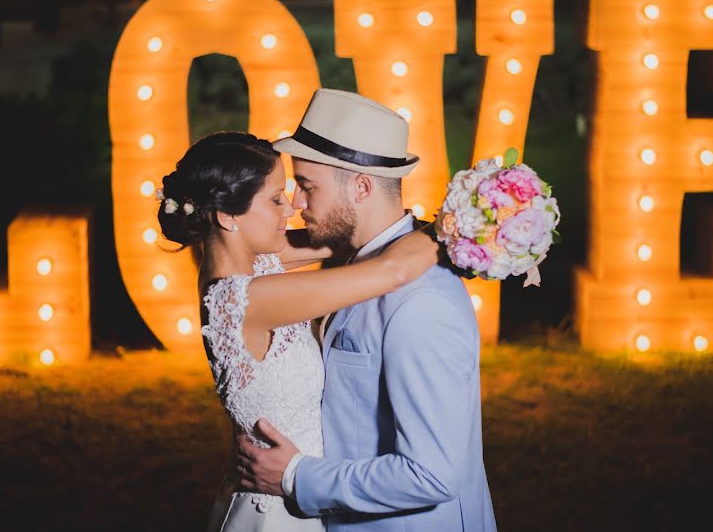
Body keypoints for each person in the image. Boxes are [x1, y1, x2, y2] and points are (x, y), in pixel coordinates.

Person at [236, 88, 498, 530]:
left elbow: (432, 474)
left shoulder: (420, 302)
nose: (297, 204)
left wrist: (296, 475)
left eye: (307, 186)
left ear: (360, 187)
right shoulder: (363, 261)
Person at [156, 130, 439, 532]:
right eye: (275, 200)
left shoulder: (251, 262)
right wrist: (465, 228)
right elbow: (391, 272)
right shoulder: (245, 299)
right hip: (277, 514)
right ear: (227, 215)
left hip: (299, 494)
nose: (290, 209)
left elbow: (336, 241)